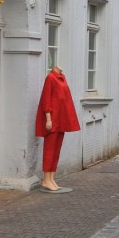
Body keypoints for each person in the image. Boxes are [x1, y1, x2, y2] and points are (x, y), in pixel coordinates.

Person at [35, 65, 80, 193]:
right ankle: (46, 180)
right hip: (53, 119)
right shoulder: (50, 78)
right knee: (49, 150)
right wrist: (48, 118)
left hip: (61, 119)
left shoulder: (62, 78)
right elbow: (46, 99)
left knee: (56, 150)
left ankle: (51, 178)